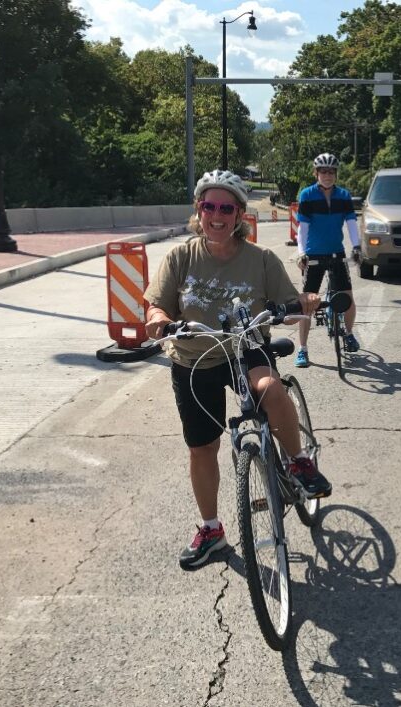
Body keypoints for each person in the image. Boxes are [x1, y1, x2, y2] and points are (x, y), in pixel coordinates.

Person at [144, 170, 331, 571]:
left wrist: (305, 301)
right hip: (194, 358)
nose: (216, 215)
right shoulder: (180, 257)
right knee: (202, 447)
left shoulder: (261, 260)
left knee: (268, 386)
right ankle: (212, 530)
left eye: (226, 208)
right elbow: (155, 304)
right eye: (209, 206)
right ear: (199, 210)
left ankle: (298, 462)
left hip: (245, 347)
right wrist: (159, 317)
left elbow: (288, 303)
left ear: (240, 215)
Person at [293, 152, 361, 367]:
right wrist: (301, 252)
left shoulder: (343, 196)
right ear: (316, 174)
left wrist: (357, 246)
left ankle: (349, 334)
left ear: (336, 174)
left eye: (331, 172)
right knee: (307, 304)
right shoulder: (307, 195)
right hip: (314, 254)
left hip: (336, 253)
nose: (327, 175)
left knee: (347, 298)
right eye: (323, 172)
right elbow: (302, 229)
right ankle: (302, 349)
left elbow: (351, 223)